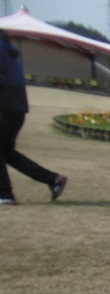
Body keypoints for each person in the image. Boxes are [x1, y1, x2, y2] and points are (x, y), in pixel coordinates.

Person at [0, 30, 67, 205]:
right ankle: (53, 179)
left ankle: (5, 195)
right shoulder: (7, 50)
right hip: (15, 109)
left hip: (5, 107)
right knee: (7, 153)